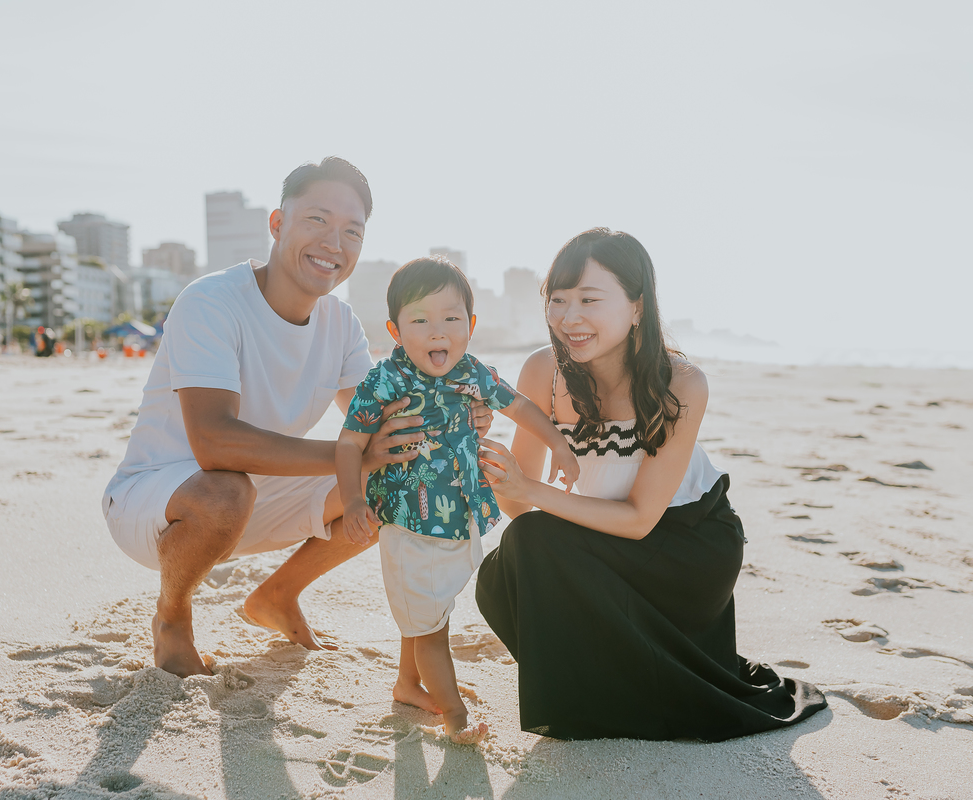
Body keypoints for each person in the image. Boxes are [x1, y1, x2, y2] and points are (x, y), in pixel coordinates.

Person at [102, 157, 492, 678]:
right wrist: (352, 454)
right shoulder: (211, 301)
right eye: (317, 220)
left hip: (258, 495)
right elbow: (214, 445)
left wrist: (460, 416)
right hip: (159, 501)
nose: (334, 242)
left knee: (397, 474)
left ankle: (277, 595)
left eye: (351, 231)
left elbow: (386, 424)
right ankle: (172, 619)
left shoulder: (340, 322)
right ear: (277, 224)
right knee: (227, 489)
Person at [475, 228, 827, 741]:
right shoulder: (541, 372)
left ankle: (610, 699)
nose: (570, 318)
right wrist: (490, 461)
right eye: (558, 301)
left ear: (637, 306)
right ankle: (599, 696)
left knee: (532, 542)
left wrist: (533, 495)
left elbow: (641, 519)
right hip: (602, 537)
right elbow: (518, 506)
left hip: (686, 548)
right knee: (503, 570)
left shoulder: (680, 383)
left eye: (590, 299)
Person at [335, 257, 579, 743]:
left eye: (450, 318)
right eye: (419, 320)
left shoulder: (473, 374)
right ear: (395, 329)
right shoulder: (385, 381)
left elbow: (521, 405)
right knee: (431, 630)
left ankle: (407, 685)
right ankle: (455, 715)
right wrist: (352, 500)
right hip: (409, 524)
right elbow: (348, 443)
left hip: (460, 516)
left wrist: (557, 443)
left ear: (469, 325)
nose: (436, 331)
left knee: (429, 611)